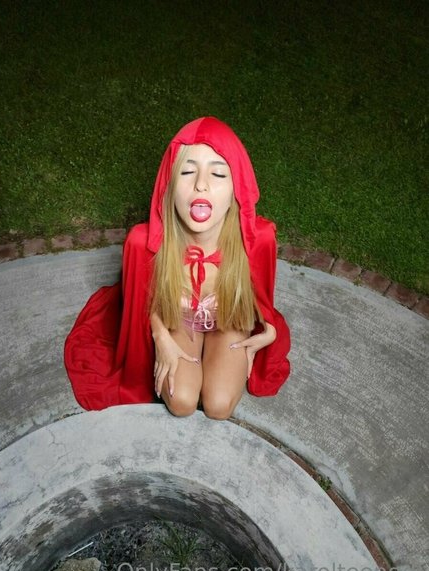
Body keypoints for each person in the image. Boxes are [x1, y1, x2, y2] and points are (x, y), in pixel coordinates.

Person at [64, 117, 290, 418]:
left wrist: (269, 333)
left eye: (218, 173)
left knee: (219, 406)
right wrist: (161, 338)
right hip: (177, 321)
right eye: (187, 171)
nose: (201, 184)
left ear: (236, 190)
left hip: (229, 320)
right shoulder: (144, 242)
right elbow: (142, 303)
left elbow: (263, 297)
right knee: (182, 401)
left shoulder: (257, 239)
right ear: (169, 187)